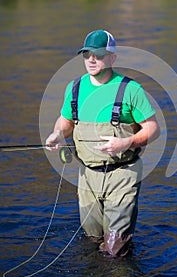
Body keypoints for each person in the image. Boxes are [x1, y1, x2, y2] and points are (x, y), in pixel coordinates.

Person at [46, 30, 160, 257]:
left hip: (122, 175)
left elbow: (153, 128)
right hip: (87, 177)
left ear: (112, 58)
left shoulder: (130, 89)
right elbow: (67, 121)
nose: (91, 59)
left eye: (97, 54)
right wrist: (58, 134)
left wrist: (127, 142)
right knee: (92, 239)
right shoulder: (75, 87)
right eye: (86, 54)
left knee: (115, 248)